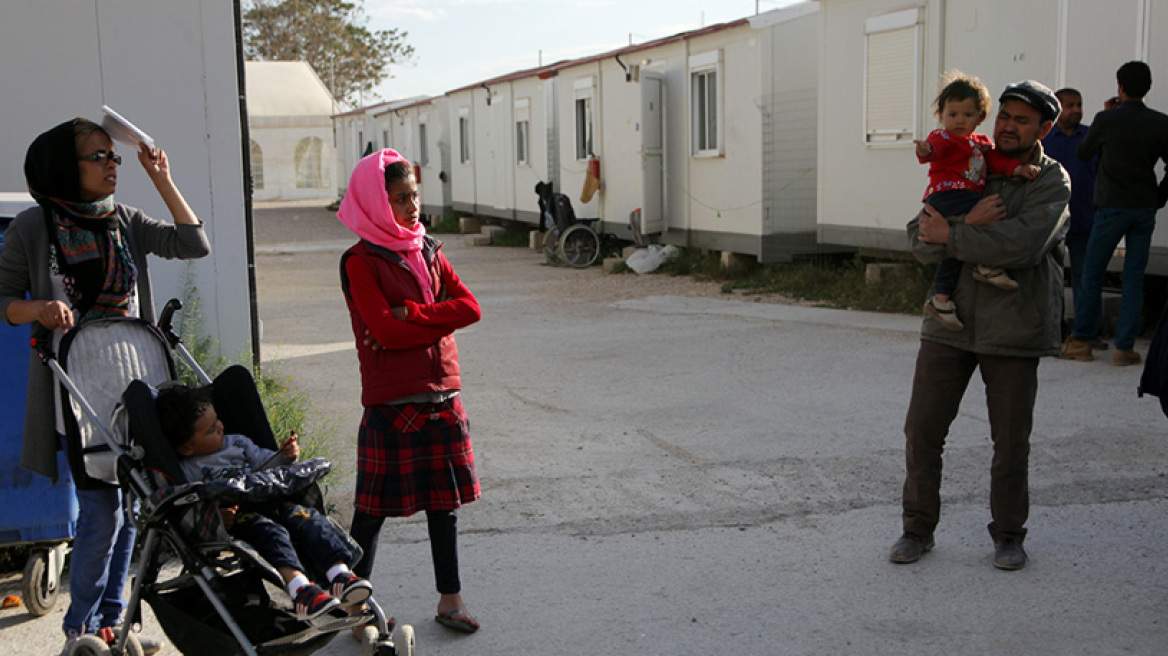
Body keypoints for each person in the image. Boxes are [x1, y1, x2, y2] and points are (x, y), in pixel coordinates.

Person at [0, 118, 210, 654]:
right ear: (65, 168)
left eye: (113, 157)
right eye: (100, 157)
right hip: (76, 388)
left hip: (137, 385)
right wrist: (40, 310)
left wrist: (161, 178)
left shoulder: (126, 221)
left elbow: (193, 243)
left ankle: (116, 620)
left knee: (134, 508)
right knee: (101, 511)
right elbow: (2, 300)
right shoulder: (33, 227)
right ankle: (81, 628)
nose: (112, 165)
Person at [889, 80, 1069, 571]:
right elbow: (920, 235)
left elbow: (1024, 245)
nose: (1009, 126)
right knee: (922, 430)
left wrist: (955, 233)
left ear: (1044, 129)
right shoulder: (971, 159)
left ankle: (1009, 535)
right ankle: (916, 530)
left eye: (1023, 120)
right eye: (1005, 116)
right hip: (950, 321)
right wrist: (960, 229)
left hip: (1014, 327)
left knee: (1010, 441)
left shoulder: (1050, 182)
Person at [338, 149, 484, 634]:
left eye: (415, 195)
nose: (412, 207)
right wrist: (421, 323)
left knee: (444, 508)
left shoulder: (430, 250)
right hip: (391, 402)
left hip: (442, 396)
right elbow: (385, 330)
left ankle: (451, 601)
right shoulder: (359, 261)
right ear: (377, 205)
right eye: (400, 199)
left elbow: (470, 308)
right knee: (370, 513)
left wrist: (412, 316)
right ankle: (355, 611)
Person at [154, 385, 373, 622]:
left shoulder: (238, 443)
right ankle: (300, 589)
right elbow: (191, 503)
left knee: (308, 518)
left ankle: (339, 574)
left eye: (217, 420)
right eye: (210, 430)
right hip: (241, 516)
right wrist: (217, 517)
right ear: (187, 447)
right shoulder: (189, 469)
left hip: (269, 498)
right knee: (273, 532)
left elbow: (268, 466)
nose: (220, 427)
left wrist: (285, 456)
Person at [915, 71, 1040, 332]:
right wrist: (926, 150)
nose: (959, 120)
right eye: (952, 114)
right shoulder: (944, 137)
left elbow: (997, 162)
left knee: (953, 250)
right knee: (989, 214)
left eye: (968, 115)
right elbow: (934, 149)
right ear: (941, 116)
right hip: (947, 195)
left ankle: (941, 299)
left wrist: (1017, 170)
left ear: (980, 118)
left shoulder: (980, 145)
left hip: (965, 196)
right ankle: (987, 264)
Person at [1061, 61, 1168, 366]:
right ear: (1147, 87)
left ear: (1120, 87)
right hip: (1144, 206)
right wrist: (1159, 196)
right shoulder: (1161, 122)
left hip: (1110, 205)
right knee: (1134, 276)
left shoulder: (1107, 120)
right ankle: (1124, 348)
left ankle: (1082, 340)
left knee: (1092, 273)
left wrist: (1107, 115)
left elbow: (1083, 153)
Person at [1042, 88, 1102, 346]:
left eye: (1079, 105)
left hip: (1084, 217)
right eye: (1070, 105)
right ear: (1057, 108)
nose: (1076, 110)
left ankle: (1087, 333)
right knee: (1051, 277)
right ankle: (1055, 330)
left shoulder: (1090, 137)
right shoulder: (1045, 140)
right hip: (1051, 220)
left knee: (1085, 277)